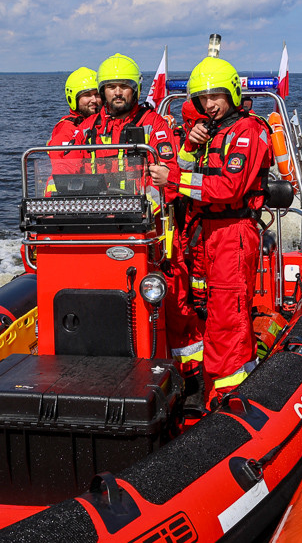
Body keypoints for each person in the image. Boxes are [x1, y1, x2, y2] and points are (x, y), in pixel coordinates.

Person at [150, 57, 272, 407]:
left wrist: (174, 178)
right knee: (202, 305)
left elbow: (229, 187)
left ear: (231, 93)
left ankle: (229, 395)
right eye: (203, 99)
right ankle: (203, 381)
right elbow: (181, 180)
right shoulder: (206, 132)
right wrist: (189, 145)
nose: (210, 104)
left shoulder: (249, 132)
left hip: (232, 230)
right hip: (201, 232)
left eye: (216, 96)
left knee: (228, 314)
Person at [70, 54, 178, 207]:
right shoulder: (87, 128)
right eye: (111, 87)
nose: (118, 92)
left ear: (135, 90)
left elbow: (168, 178)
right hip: (95, 214)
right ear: (102, 91)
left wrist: (141, 209)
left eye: (124, 86)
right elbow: (67, 170)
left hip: (141, 219)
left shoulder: (153, 124)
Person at [47, 67, 102, 169]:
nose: (94, 100)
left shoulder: (104, 123)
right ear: (73, 98)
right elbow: (62, 167)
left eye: (97, 94)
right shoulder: (67, 128)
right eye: (87, 95)